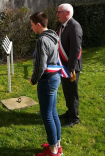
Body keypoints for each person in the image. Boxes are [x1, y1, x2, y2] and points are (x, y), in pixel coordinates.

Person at [29, 12, 63, 156]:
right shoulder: (53, 34)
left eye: (31, 25)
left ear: (38, 24)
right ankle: (56, 143)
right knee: (53, 112)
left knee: (47, 114)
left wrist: (33, 79)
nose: (31, 28)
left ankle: (53, 151)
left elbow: (41, 66)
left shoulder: (42, 40)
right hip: (55, 77)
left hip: (47, 80)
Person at [56, 3, 82, 128]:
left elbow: (75, 50)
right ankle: (69, 112)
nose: (57, 14)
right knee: (67, 91)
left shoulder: (74, 27)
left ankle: (74, 118)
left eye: (59, 12)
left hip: (71, 67)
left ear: (67, 13)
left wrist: (71, 69)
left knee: (72, 93)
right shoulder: (65, 26)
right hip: (64, 66)